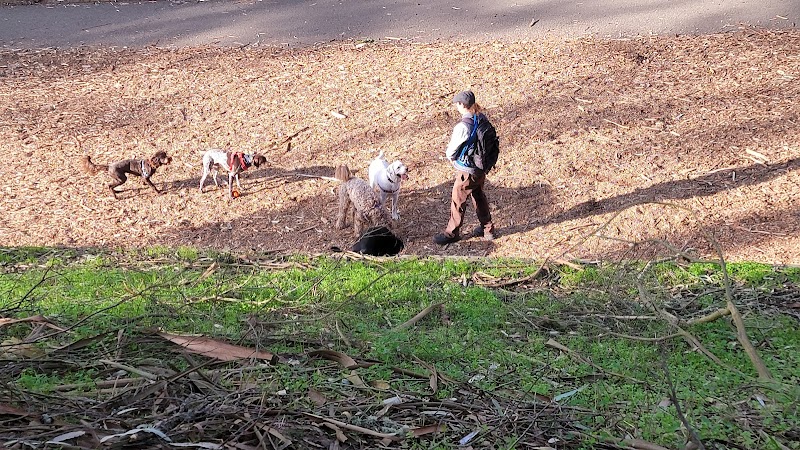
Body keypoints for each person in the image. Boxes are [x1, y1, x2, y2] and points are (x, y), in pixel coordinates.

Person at [433, 90, 496, 245]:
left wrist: (454, 161)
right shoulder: (481, 118)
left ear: (462, 105)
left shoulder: (463, 126)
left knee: (458, 199)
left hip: (467, 170)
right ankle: (487, 229)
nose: (456, 106)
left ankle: (451, 233)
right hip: (481, 167)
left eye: (457, 104)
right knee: (478, 195)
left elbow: (450, 152)